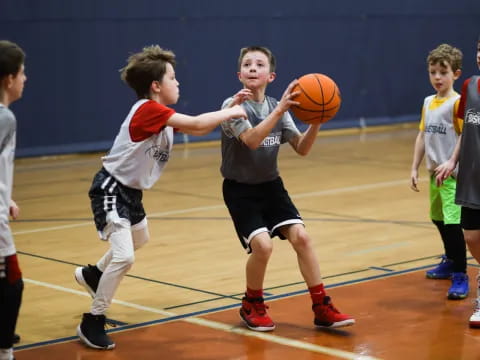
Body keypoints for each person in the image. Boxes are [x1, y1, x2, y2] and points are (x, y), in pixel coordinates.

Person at [74, 45, 247, 350]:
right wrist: (232, 111)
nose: (178, 83)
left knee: (140, 238)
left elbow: (197, 130)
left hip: (131, 192)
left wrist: (230, 105)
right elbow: (195, 124)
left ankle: (94, 273)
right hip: (111, 188)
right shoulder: (148, 109)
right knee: (125, 256)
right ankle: (93, 320)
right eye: (172, 77)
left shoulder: (161, 117)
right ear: (156, 86)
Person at [220, 46, 354, 332]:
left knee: (302, 238)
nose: (253, 68)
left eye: (259, 64)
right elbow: (253, 140)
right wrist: (280, 109)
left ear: (271, 76)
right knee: (263, 246)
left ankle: (321, 305)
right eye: (247, 64)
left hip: (271, 186)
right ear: (239, 74)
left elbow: (302, 148)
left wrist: (317, 122)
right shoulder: (232, 106)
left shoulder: (277, 108)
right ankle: (251, 303)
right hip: (240, 189)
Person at [410, 43, 468, 299]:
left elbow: (465, 136)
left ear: (456, 74)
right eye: (433, 72)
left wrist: (452, 163)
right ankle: (450, 260)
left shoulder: (458, 104)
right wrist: (414, 167)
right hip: (434, 174)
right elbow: (422, 135)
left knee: (454, 223)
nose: (437, 77)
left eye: (443, 72)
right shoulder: (427, 102)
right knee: (438, 218)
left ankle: (461, 274)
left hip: (453, 176)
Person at [436, 35, 480, 327]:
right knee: (472, 237)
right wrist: (452, 161)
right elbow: (466, 130)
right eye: (479, 50)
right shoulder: (471, 86)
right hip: (473, 176)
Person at [0, 40, 27, 360]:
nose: (25, 79)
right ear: (9, 79)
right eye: (22, 73)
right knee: (12, 285)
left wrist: (7, 196)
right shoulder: (5, 118)